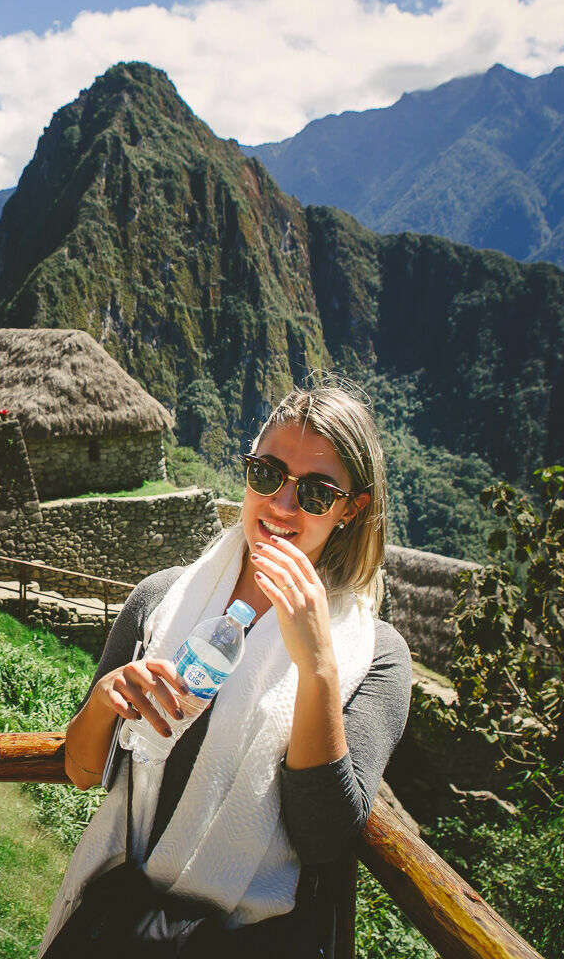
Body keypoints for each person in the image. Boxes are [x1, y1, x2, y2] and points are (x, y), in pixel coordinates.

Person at [42, 383, 409, 956]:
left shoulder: (377, 656)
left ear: (351, 508)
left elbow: (322, 837)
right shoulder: (160, 601)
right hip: (119, 922)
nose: (282, 506)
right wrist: (108, 696)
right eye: (267, 474)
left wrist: (316, 666)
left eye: (315, 493)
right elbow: (84, 772)